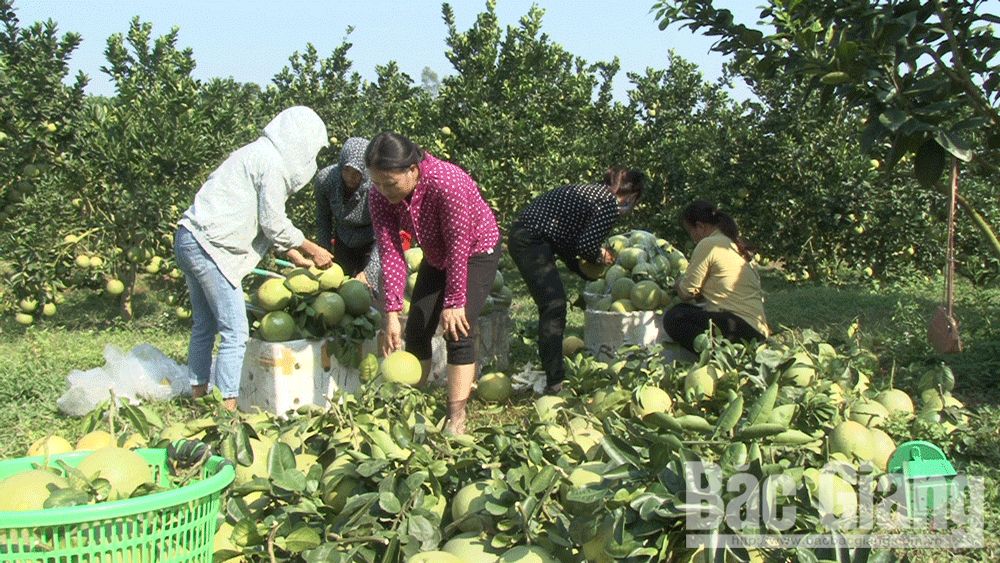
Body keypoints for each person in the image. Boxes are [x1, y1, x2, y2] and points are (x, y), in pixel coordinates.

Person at [173, 106, 334, 411]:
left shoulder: (255, 153)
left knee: (204, 325)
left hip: (190, 237)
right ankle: (227, 408)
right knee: (235, 331)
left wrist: (292, 253)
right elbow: (273, 221)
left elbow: (259, 219)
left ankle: (199, 395)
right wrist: (313, 249)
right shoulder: (271, 163)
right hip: (211, 247)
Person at [367, 131, 501, 435]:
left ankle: (456, 416)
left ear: (412, 169)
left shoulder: (446, 183)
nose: (383, 191)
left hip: (477, 249)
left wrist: (454, 302)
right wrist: (390, 312)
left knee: (458, 329)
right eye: (376, 182)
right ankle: (414, 401)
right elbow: (390, 252)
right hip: (437, 254)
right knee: (415, 328)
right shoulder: (378, 195)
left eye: (390, 183)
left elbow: (459, 244)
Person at [508, 168, 645, 395]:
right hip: (531, 240)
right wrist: (604, 257)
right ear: (632, 195)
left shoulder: (593, 193)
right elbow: (585, 246)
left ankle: (553, 375)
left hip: (526, 235)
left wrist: (582, 270)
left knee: (553, 304)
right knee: (554, 305)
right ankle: (555, 381)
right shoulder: (608, 203)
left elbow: (567, 238)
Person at [663, 200, 769, 353]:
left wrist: (677, 283)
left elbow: (687, 292)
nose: (692, 238)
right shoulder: (735, 245)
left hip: (739, 327)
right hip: (757, 329)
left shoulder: (709, 244)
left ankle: (715, 358)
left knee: (675, 316)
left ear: (700, 226)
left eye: (690, 231)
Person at [314, 137, 380, 289]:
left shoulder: (377, 187)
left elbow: (384, 232)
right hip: (343, 238)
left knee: (368, 291)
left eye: (356, 172)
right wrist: (323, 252)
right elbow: (323, 219)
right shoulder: (326, 180)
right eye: (346, 170)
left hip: (371, 240)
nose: (350, 177)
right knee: (337, 287)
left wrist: (371, 269)